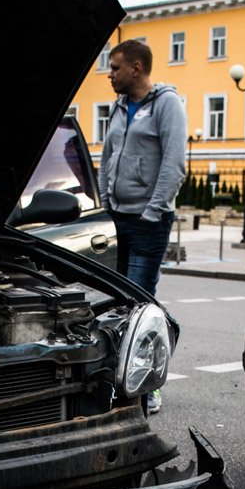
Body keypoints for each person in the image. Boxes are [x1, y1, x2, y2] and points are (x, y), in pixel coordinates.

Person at [98, 38, 187, 414]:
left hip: (148, 221)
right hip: (118, 218)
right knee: (118, 302)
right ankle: (118, 379)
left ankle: (150, 384)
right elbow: (106, 156)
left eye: (115, 67)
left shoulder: (167, 104)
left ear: (136, 68)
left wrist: (153, 210)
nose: (110, 74)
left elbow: (174, 163)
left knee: (140, 301)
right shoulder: (118, 108)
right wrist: (106, 203)